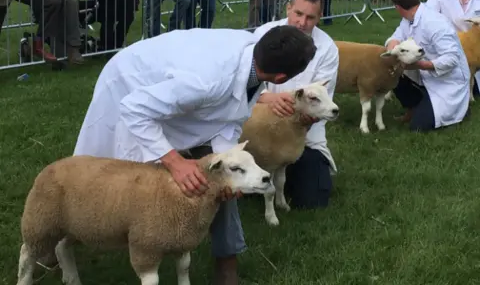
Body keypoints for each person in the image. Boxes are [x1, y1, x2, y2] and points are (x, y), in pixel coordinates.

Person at [73, 24, 317, 285]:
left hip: (183, 99)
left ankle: (226, 266)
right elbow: (135, 109)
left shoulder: (256, 60)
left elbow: (231, 119)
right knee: (108, 178)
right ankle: (59, 234)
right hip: (131, 85)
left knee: (217, 180)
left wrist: (227, 170)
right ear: (281, 78)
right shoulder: (207, 79)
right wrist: (175, 162)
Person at [252, 0, 339, 209]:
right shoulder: (264, 34)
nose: (302, 22)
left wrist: (302, 117)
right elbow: (246, 80)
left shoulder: (327, 49)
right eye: (298, 14)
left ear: (320, 17)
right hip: (260, 129)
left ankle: (285, 175)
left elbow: (322, 103)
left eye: (310, 17)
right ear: (288, 8)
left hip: (303, 137)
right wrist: (266, 97)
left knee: (313, 199)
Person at [385, 0, 471, 132]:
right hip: (427, 75)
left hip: (449, 81)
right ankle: (413, 107)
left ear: (397, 7)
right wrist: (392, 49)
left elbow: (452, 59)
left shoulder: (434, 24)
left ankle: (461, 109)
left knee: (418, 127)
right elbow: (397, 36)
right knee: (390, 70)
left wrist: (420, 65)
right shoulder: (409, 18)